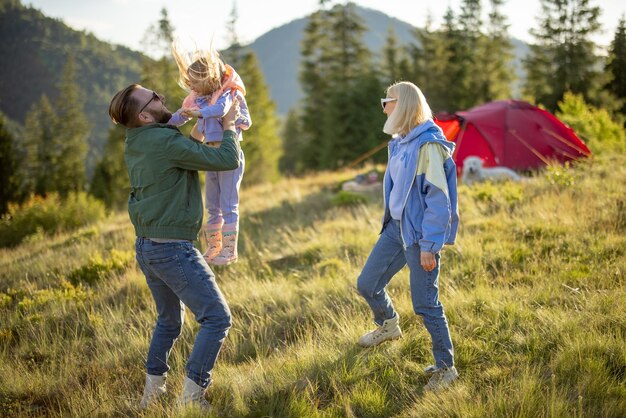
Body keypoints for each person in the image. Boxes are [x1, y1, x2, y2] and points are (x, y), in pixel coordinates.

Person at [108, 84, 241, 410]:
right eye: (153, 98)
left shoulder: (137, 141)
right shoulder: (164, 141)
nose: (162, 98)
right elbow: (227, 159)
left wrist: (193, 133)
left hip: (147, 247)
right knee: (217, 318)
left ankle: (151, 397)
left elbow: (175, 156)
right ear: (144, 114)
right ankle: (193, 399)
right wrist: (229, 125)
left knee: (169, 321)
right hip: (171, 249)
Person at [355, 81, 460, 391]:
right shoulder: (401, 141)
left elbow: (439, 201)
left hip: (417, 237)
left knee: (426, 303)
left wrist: (430, 246)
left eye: (387, 101)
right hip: (395, 229)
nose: (384, 107)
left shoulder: (427, 145)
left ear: (403, 106)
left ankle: (446, 367)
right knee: (367, 284)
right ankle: (388, 325)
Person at [169, 43, 251, 266]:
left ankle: (229, 249)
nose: (191, 86)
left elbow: (221, 112)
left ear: (208, 78)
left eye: (194, 81)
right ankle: (213, 247)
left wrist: (198, 113)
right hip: (210, 155)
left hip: (229, 154)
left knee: (228, 204)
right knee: (212, 205)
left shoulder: (227, 94)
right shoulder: (201, 98)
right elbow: (181, 116)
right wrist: (165, 121)